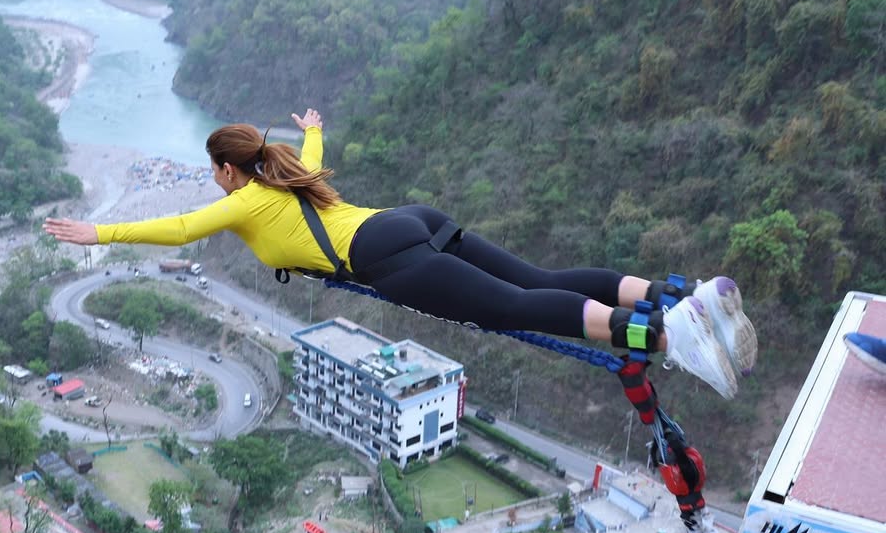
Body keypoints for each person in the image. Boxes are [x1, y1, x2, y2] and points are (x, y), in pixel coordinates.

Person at [43, 108, 757, 398]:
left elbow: (178, 230)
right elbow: (315, 149)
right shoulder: (292, 170)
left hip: (385, 260)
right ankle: (683, 295)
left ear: (228, 170)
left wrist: (99, 235)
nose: (215, 184)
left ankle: (666, 333)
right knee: (538, 280)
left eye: (214, 171)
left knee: (514, 309)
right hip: (408, 219)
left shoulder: (243, 200)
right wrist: (314, 127)